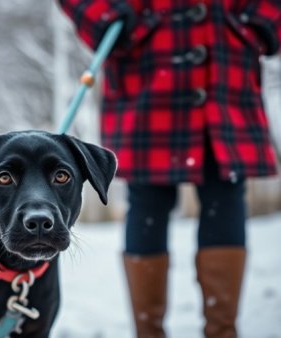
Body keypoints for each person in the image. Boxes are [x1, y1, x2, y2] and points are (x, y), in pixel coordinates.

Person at [57, 1, 280, 337]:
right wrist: (107, 14)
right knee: (147, 198)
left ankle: (222, 331)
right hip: (146, 66)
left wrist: (261, 19)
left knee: (226, 192)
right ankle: (148, 332)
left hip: (224, 61)